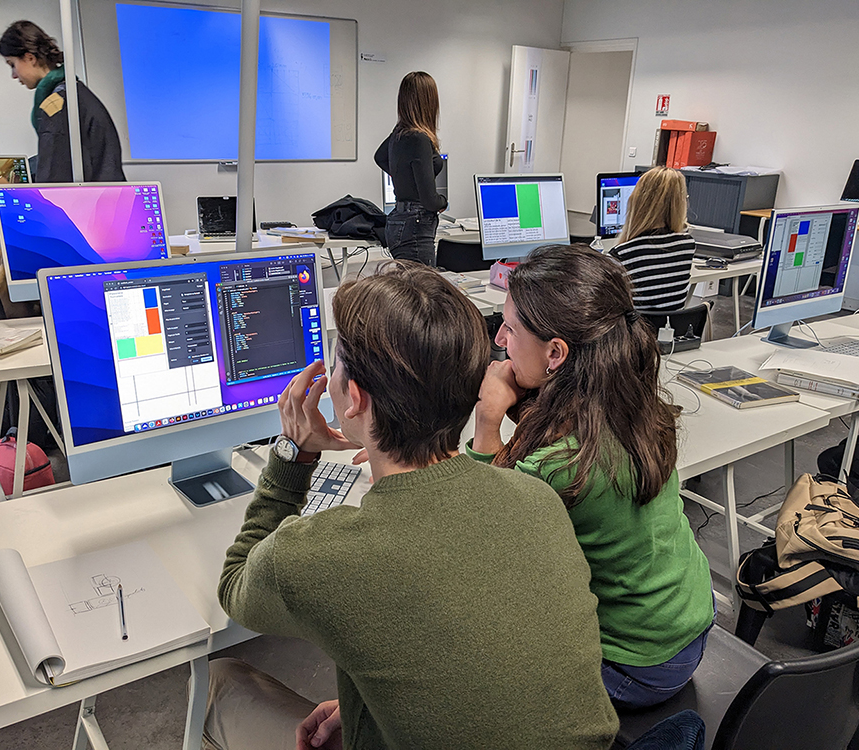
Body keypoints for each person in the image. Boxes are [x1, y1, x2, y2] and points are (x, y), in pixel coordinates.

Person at [206, 262, 618, 749]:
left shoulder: (316, 555)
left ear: (353, 397)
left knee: (223, 682)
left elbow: (234, 585)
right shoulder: (537, 499)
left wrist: (294, 454)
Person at [469, 244, 715, 709]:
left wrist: (487, 422)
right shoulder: (635, 404)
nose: (499, 338)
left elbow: (484, 538)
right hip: (690, 618)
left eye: (510, 328)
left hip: (635, 666)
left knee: (475, 639)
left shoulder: (557, 466)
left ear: (556, 353)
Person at [0, 21, 125, 183]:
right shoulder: (73, 92)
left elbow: (54, 175)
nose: (14, 75)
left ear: (30, 58)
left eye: (12, 65)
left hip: (93, 196)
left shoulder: (56, 105)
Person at [374, 72, 447, 266]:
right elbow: (430, 201)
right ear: (429, 102)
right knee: (423, 283)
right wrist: (444, 202)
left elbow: (379, 157)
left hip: (398, 220)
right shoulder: (419, 139)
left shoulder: (399, 134)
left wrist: (404, 178)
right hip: (416, 225)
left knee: (409, 282)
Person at [610, 166, 696, 312]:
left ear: (637, 201)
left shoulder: (621, 255)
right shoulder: (688, 245)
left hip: (635, 327)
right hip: (671, 325)